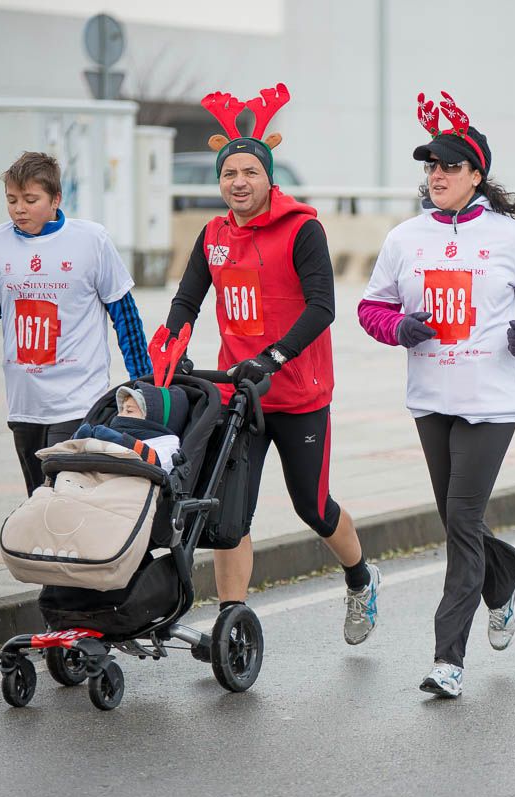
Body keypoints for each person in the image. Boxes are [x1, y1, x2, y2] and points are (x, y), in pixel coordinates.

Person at [358, 90, 515, 697]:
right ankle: (503, 583)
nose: (437, 176)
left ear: (477, 175)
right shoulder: (405, 238)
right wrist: (398, 327)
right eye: (430, 166)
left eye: (449, 166)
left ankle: (447, 659)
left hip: (490, 400)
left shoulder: (508, 236)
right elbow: (372, 307)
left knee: (461, 517)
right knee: (459, 522)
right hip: (430, 398)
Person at [166, 83, 381, 646]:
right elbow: (188, 300)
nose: (238, 182)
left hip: (299, 393)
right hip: (238, 395)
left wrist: (275, 356)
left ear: (267, 177)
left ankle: (361, 577)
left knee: (312, 506)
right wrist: (174, 341)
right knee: (227, 513)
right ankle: (230, 620)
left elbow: (323, 307)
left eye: (249, 173)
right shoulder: (212, 235)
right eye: (229, 173)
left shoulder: (302, 229)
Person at [0, 151, 151, 496]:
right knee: (38, 495)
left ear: (56, 199)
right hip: (25, 400)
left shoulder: (91, 240)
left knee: (66, 491)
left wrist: (143, 382)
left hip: (79, 398)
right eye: (12, 200)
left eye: (31, 200)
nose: (20, 209)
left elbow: (124, 314)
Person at [73, 384, 187, 472]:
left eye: (129, 410)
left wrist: (121, 442)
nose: (119, 416)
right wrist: (79, 443)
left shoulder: (168, 442)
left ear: (154, 418)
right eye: (121, 410)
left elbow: (158, 463)